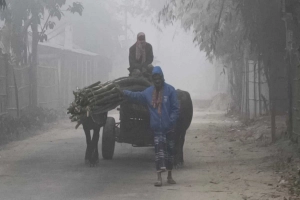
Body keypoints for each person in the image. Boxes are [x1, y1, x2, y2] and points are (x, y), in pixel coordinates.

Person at [121, 66, 179, 187]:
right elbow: (136, 96)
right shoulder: (148, 92)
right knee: (158, 153)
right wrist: (123, 92)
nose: (157, 81)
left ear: (162, 78)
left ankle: (169, 175)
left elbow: (175, 108)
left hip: (169, 128)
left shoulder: (170, 90)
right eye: (155, 79)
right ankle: (159, 178)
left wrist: (171, 121)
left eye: (159, 78)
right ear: (153, 79)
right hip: (157, 129)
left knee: (170, 152)